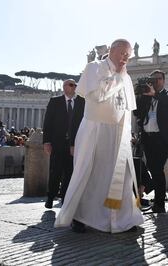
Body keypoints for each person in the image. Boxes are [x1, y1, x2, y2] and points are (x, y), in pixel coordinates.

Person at [54, 39, 144, 233]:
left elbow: (127, 109)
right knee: (90, 172)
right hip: (95, 129)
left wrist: (127, 134)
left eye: (128, 55)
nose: (125, 58)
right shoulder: (94, 67)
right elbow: (98, 95)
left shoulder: (126, 76)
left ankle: (122, 219)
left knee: (120, 177)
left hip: (118, 134)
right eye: (122, 53)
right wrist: (118, 77)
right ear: (111, 50)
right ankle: (80, 216)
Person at [134, 70, 168, 213]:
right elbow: (137, 113)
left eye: (158, 79)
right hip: (147, 138)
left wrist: (155, 94)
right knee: (152, 169)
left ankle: (159, 204)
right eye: (153, 80)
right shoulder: (147, 96)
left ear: (163, 80)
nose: (155, 82)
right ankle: (154, 197)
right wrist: (140, 96)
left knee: (157, 169)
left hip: (162, 139)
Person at [42, 79, 85, 209]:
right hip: (57, 143)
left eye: (75, 85)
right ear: (64, 87)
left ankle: (65, 197)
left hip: (74, 144)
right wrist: (46, 142)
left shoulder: (82, 102)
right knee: (55, 171)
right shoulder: (55, 102)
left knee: (69, 172)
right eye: (71, 85)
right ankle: (50, 196)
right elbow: (47, 122)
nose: (74, 87)